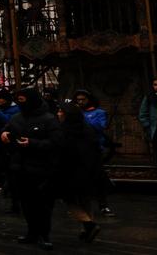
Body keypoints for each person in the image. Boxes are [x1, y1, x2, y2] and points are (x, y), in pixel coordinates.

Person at [0, 87, 62, 251]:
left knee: (43, 204)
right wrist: (4, 134)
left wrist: (33, 143)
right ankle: (32, 232)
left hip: (41, 168)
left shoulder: (49, 119)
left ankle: (44, 234)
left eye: (22, 100)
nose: (20, 103)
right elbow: (7, 129)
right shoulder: (16, 118)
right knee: (27, 203)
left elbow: (56, 143)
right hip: (20, 167)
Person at [56, 103, 102, 243]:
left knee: (69, 200)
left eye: (60, 111)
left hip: (71, 171)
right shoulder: (87, 128)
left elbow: (61, 152)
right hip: (90, 169)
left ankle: (88, 224)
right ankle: (86, 228)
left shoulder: (64, 131)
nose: (58, 114)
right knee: (85, 199)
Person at [73, 89, 114, 217]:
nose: (80, 102)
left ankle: (103, 204)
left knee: (97, 177)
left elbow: (100, 127)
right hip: (79, 149)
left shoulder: (99, 112)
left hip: (95, 148)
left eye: (83, 99)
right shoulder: (76, 112)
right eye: (78, 100)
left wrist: (82, 120)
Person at [138, 78, 157, 168]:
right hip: (156, 128)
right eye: (155, 84)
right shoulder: (149, 97)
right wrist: (147, 126)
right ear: (152, 86)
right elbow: (143, 113)